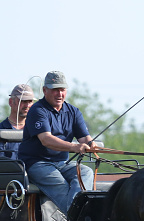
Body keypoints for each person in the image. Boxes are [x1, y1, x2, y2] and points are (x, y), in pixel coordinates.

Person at [19, 71, 95, 213]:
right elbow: (46, 140)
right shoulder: (37, 110)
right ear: (45, 90)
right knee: (63, 188)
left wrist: (91, 144)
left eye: (62, 89)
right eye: (55, 90)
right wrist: (75, 147)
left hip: (62, 163)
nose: (59, 94)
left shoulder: (73, 111)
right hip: (37, 163)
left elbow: (84, 138)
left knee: (86, 172)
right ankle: (78, 218)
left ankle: (78, 215)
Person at [0, 83, 35, 171]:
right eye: (23, 101)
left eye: (30, 101)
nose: (27, 105)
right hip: (10, 182)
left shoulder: (36, 130)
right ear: (11, 102)